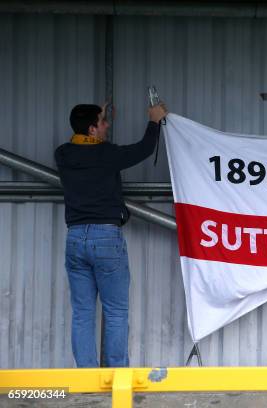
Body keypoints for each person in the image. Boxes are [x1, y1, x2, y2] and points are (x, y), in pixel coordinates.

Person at [55, 102, 167, 367]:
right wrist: (154, 121)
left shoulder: (63, 154)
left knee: (82, 313)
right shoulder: (107, 154)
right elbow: (144, 148)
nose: (107, 126)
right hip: (106, 237)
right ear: (93, 129)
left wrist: (98, 116)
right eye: (103, 123)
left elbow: (85, 145)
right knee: (115, 312)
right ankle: (116, 375)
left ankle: (86, 378)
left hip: (75, 238)